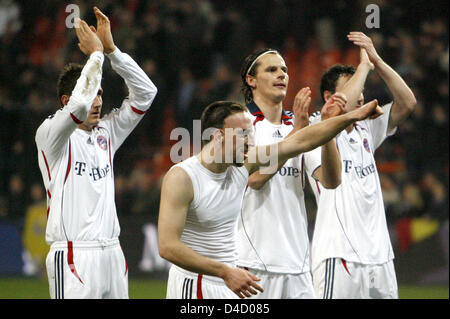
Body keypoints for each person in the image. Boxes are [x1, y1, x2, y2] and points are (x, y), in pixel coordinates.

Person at [158, 96, 384, 299]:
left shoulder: (243, 164)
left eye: (252, 134)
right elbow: (168, 246)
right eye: (244, 134)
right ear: (218, 136)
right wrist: (224, 271)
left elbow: (300, 142)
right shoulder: (183, 177)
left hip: (230, 283)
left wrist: (352, 116)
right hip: (196, 285)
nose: (251, 142)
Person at [35, 7, 157, 299]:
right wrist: (95, 56)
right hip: (75, 255)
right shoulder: (51, 134)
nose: (97, 101)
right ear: (66, 99)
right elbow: (77, 108)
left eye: (100, 93)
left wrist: (113, 52)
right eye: (92, 93)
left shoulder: (107, 133)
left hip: (112, 253)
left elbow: (146, 93)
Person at [310, 32, 417, 299]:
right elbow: (337, 113)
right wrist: (364, 67)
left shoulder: (365, 128)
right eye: (354, 87)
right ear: (328, 96)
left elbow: (407, 102)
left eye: (362, 88)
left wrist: (376, 61)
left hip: (380, 254)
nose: (360, 96)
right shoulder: (315, 130)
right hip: (340, 253)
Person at [235, 48, 343, 299]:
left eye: (284, 69)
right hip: (253, 263)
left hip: (298, 264)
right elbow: (255, 180)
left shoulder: (298, 122)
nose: (281, 74)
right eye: (271, 69)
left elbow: (332, 180)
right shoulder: (240, 123)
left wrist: (326, 130)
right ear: (251, 80)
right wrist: (298, 134)